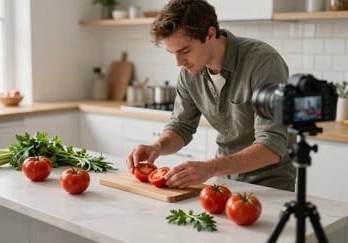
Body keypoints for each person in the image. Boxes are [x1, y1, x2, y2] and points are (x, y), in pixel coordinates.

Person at [126, 0, 296, 191]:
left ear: (210, 34)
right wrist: (156, 148)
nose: (178, 62)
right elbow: (181, 126)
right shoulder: (189, 72)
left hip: (270, 185)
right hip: (224, 182)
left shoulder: (263, 62)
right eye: (171, 53)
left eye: (185, 50)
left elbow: (272, 145)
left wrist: (210, 168)